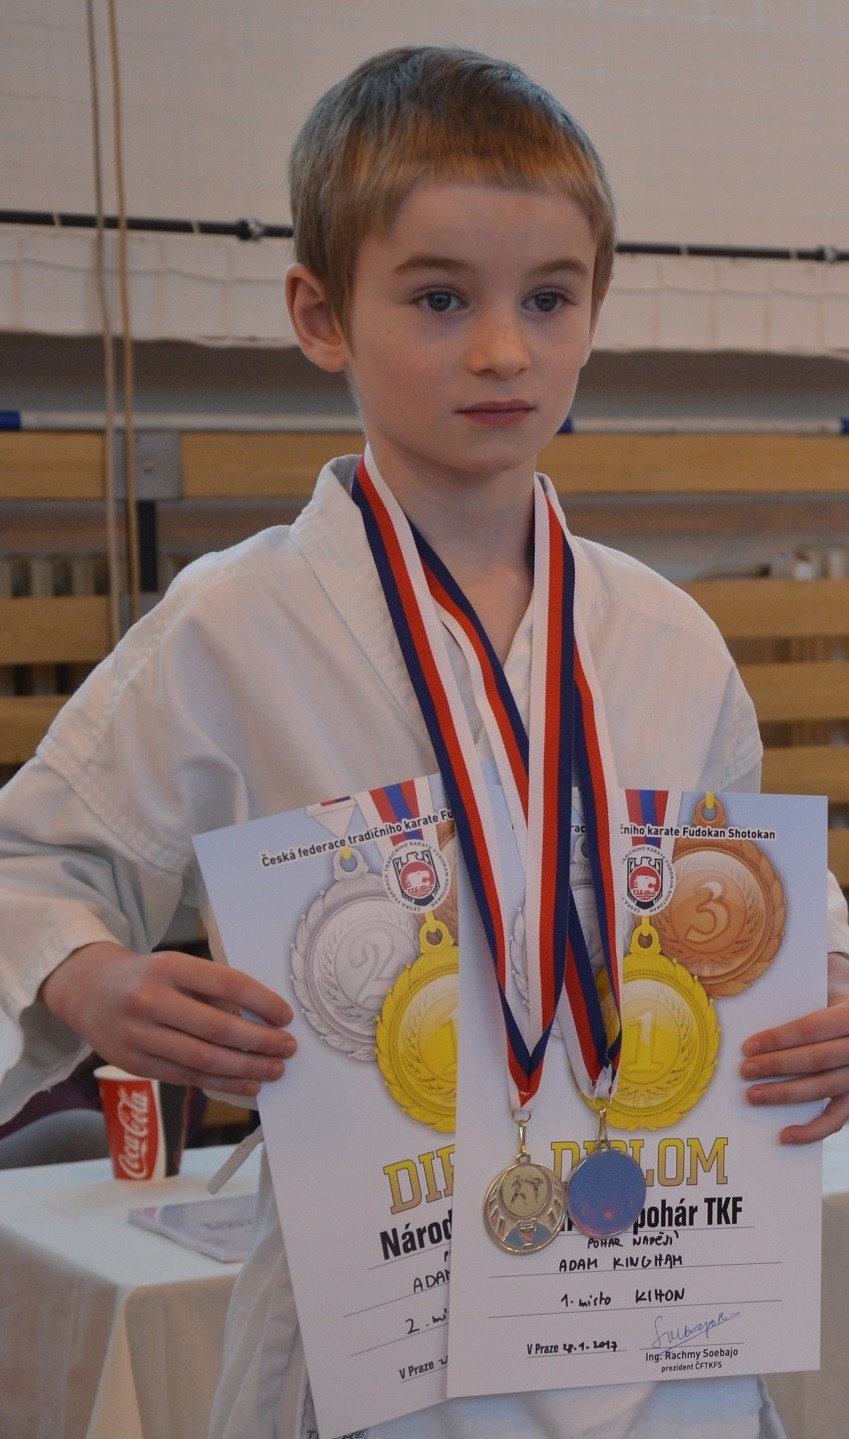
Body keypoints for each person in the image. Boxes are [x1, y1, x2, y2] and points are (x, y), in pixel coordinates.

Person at [1, 44, 848, 1439]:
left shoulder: (666, 636)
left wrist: (824, 993)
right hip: (379, 1333)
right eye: (440, 298)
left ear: (594, 311)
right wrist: (93, 982)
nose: (504, 350)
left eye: (547, 298)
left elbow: (752, 892)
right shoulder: (231, 629)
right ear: (320, 314)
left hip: (660, 1310)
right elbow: (31, 871)